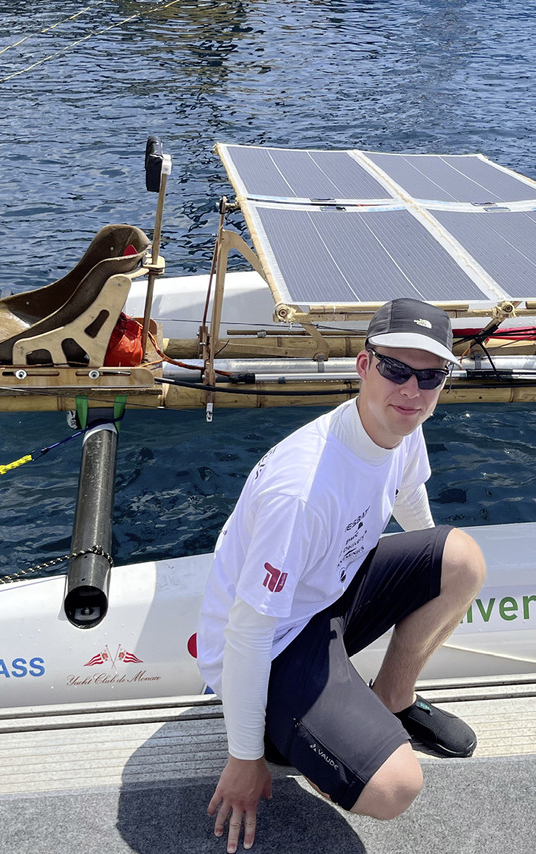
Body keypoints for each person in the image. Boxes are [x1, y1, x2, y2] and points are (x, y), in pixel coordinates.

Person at [198, 298, 486, 851]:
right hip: (274, 643)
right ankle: (280, 737)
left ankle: (393, 700)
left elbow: (411, 499)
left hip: (326, 594)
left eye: (429, 376)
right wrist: (243, 758)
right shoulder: (303, 491)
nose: (411, 389)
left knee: (461, 558)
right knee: (396, 788)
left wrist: (429, 570)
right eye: (395, 369)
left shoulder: (403, 423)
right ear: (363, 365)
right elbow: (248, 632)